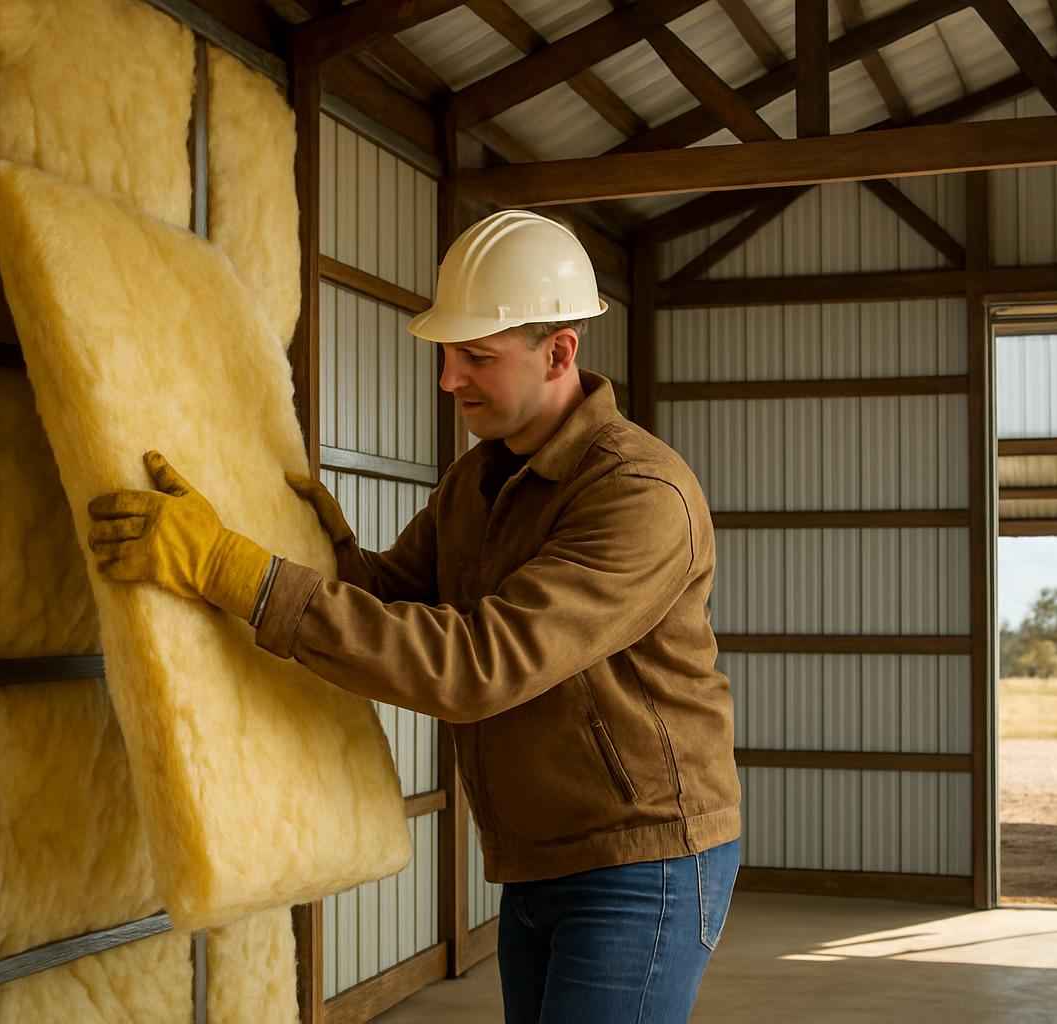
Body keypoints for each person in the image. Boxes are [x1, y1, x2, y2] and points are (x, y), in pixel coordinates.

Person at [86, 209, 741, 1022]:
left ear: (559, 353)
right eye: (446, 354)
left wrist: (230, 568)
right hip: (537, 854)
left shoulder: (640, 497)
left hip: (645, 859)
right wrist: (303, 541)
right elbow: (390, 596)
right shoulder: (477, 482)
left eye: (477, 357)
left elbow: (476, 665)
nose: (449, 379)